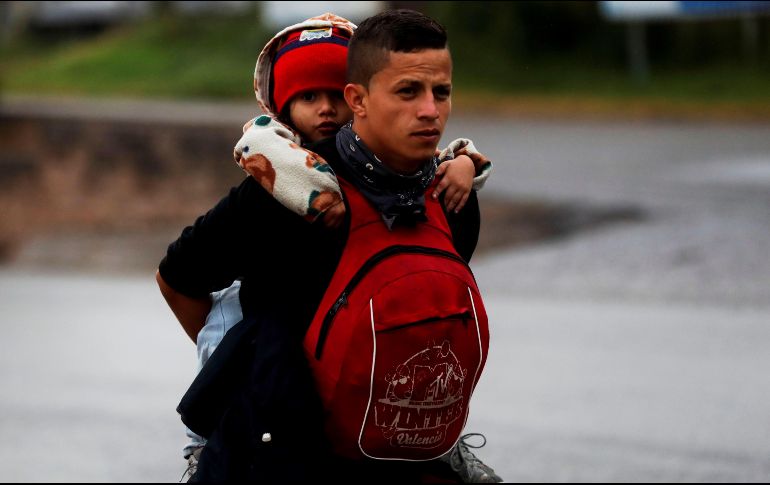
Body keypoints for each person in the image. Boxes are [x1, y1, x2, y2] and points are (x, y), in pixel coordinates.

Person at [158, 9, 501, 483]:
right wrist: (247, 365)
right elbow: (178, 279)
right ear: (357, 98)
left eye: (440, 93)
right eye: (408, 92)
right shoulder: (286, 190)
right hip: (279, 462)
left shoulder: (451, 195)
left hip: (407, 459)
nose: (429, 111)